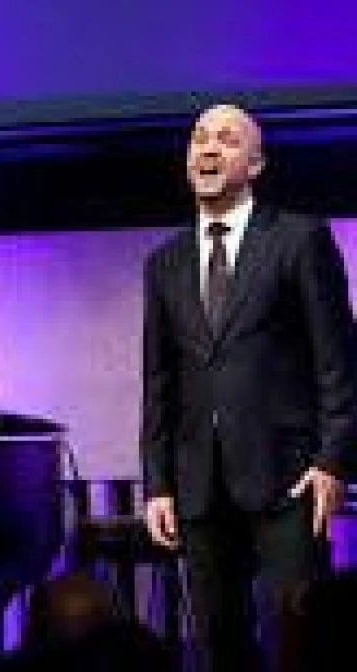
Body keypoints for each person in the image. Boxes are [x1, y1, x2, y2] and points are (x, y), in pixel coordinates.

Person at [141, 104, 357, 671]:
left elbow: (338, 359)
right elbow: (159, 380)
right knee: (220, 647)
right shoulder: (164, 262)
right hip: (198, 485)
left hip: (289, 478)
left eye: (227, 140)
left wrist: (333, 460)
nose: (209, 149)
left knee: (301, 637)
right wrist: (158, 483)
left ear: (256, 164)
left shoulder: (298, 239)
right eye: (199, 139)